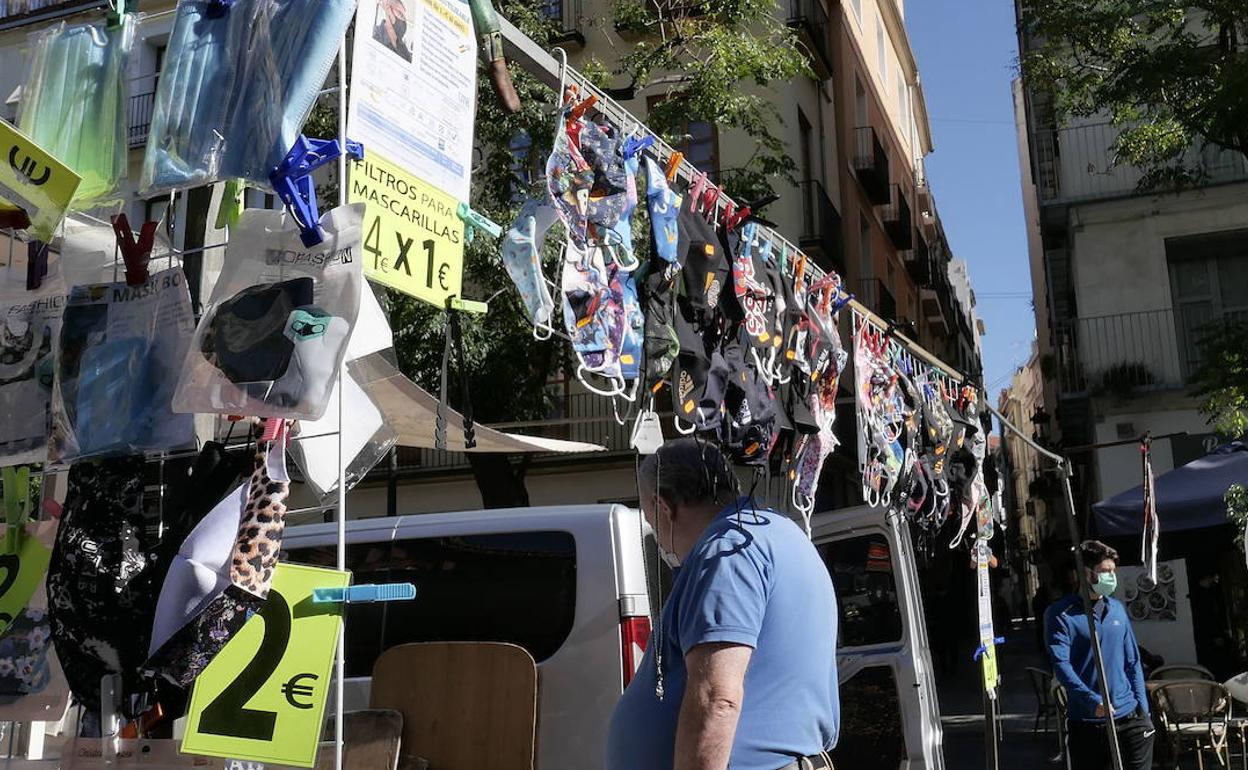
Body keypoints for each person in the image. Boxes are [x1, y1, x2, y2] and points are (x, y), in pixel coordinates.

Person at [606, 438, 839, 770]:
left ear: (663, 506)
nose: (656, 534)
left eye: (649, 518)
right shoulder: (775, 531)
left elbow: (717, 698)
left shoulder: (727, 551)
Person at [1045, 540, 1154, 770]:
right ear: (1084, 573)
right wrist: (1092, 701)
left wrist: (1143, 711)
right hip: (1087, 723)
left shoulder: (1117, 609)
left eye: (1113, 571)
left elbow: (1132, 661)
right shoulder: (1061, 615)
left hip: (1130, 719)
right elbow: (1061, 666)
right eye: (1105, 571)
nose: (1110, 577)